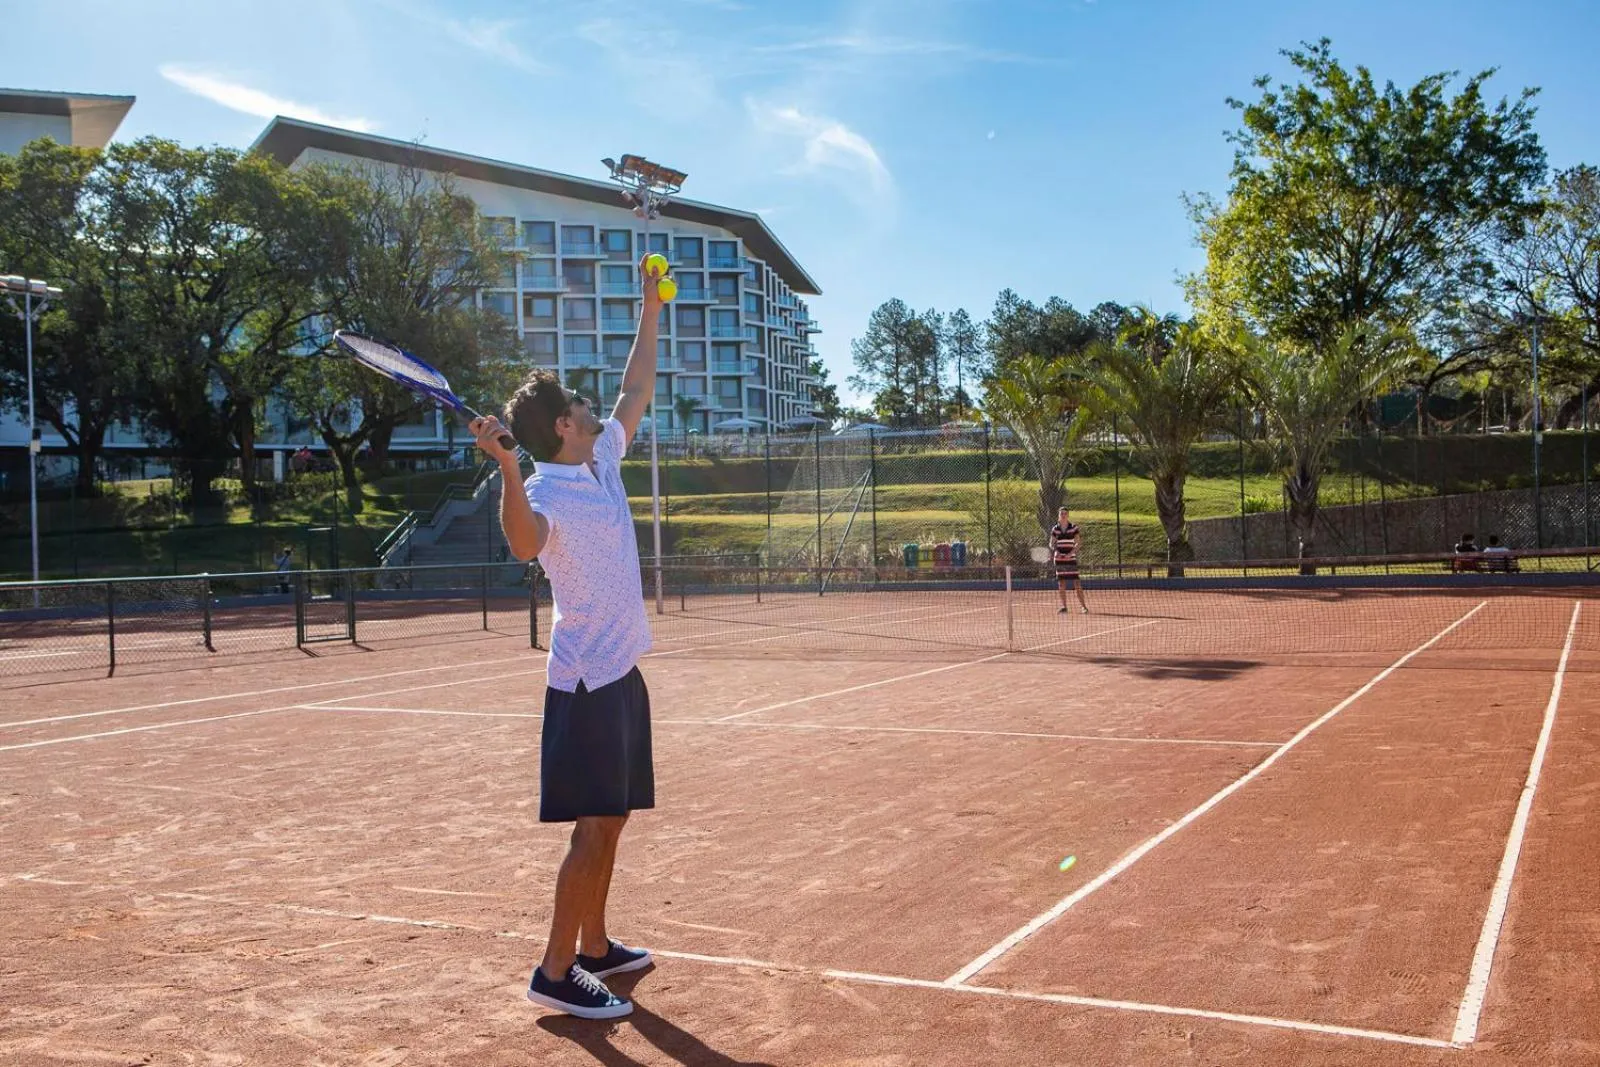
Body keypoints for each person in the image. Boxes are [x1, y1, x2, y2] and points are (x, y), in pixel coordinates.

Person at [469, 253, 663, 1021]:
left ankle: (594, 946)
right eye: (582, 407)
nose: (595, 410)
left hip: (623, 670)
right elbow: (522, 545)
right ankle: (554, 970)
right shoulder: (544, 488)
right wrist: (509, 472)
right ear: (562, 427)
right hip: (585, 682)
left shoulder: (604, 460)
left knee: (612, 819)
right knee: (590, 830)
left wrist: (650, 308)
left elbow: (636, 387)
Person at [1050, 506, 1088, 614]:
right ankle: (1064, 607)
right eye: (1061, 514)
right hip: (1059, 559)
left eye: (1065, 514)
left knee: (1077, 583)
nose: (1063, 515)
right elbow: (1051, 543)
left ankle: (1083, 607)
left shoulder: (1074, 528)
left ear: (1068, 515)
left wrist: (1071, 553)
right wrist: (1055, 551)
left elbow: (1078, 543)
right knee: (1061, 583)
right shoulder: (1055, 529)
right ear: (1058, 516)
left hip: (1071, 559)